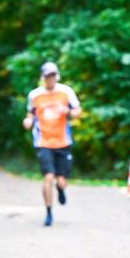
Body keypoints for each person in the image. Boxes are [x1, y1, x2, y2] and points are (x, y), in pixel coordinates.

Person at [22, 62, 81, 227]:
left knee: (61, 180)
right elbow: (30, 115)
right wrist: (27, 121)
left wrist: (67, 112)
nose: (51, 79)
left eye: (53, 76)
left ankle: (61, 188)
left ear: (57, 76)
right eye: (48, 76)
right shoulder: (35, 95)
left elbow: (78, 111)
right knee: (48, 176)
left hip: (63, 141)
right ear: (43, 78)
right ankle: (48, 213)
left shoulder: (66, 92)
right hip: (43, 142)